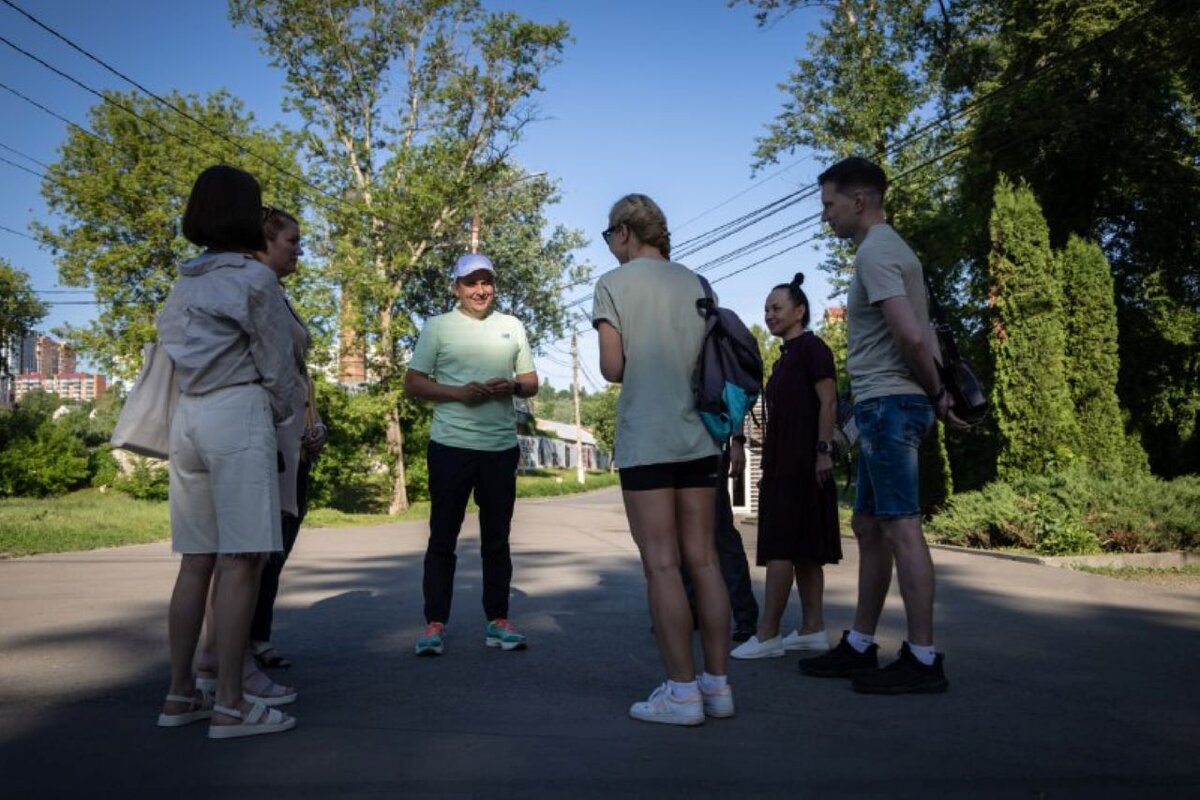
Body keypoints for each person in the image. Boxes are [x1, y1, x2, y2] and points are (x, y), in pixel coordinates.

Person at [798, 156, 966, 694]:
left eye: (829, 205)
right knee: (869, 527)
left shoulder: (875, 252)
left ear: (858, 201)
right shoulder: (896, 250)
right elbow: (925, 335)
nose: (825, 216)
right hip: (889, 403)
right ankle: (862, 644)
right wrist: (935, 396)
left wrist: (937, 392)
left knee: (900, 526)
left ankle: (922, 658)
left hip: (888, 405)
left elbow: (912, 337)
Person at [155, 165, 298, 738]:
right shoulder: (253, 280)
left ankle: (180, 692)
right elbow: (277, 368)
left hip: (186, 417)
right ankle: (232, 704)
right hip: (236, 413)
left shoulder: (185, 281)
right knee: (243, 561)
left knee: (196, 561)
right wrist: (284, 415)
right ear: (247, 215)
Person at [592, 194, 733, 726]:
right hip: (700, 436)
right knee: (705, 560)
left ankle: (680, 693)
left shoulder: (613, 284)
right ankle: (717, 688)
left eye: (610, 236)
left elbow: (612, 368)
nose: (610, 246)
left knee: (662, 564)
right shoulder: (698, 283)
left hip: (648, 438)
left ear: (626, 232)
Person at [403, 253, 538, 656]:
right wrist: (458, 393)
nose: (480, 290)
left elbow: (531, 382)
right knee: (442, 538)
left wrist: (510, 388)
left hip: (499, 449)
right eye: (471, 283)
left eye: (486, 282)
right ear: (456, 288)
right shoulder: (438, 327)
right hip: (450, 447)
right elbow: (414, 383)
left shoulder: (511, 326)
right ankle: (434, 624)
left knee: (497, 540)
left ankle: (498, 621)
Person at [731, 273, 840, 660]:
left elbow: (828, 402)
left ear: (800, 311)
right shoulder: (785, 358)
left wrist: (823, 451)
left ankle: (767, 635)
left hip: (804, 464)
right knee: (806, 550)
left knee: (780, 547)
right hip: (782, 465)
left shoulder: (814, 350)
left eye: (776, 308)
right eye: (766, 310)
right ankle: (812, 629)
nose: (769, 315)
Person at [249, 206, 328, 670]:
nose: (299, 249)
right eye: (292, 241)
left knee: (278, 546)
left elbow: (298, 376)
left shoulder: (278, 294)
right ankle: (236, 654)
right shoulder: (257, 293)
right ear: (264, 242)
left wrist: (313, 425)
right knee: (260, 549)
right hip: (268, 440)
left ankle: (257, 638)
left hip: (294, 439)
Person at [681, 442, 759, 642]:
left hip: (710, 447)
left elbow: (735, 409)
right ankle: (691, 610)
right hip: (676, 450)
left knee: (720, 533)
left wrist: (738, 441)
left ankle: (745, 616)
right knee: (682, 533)